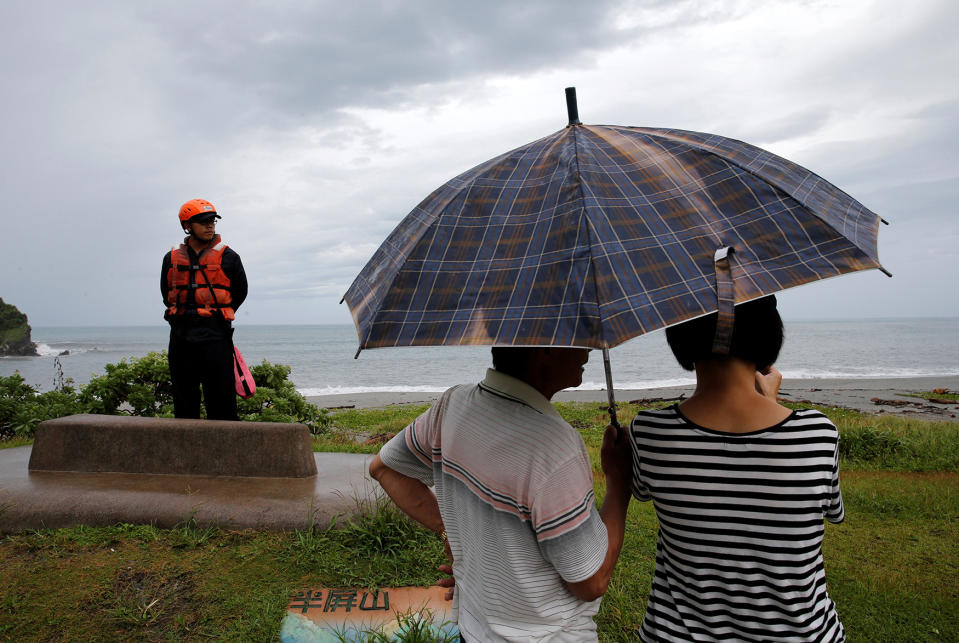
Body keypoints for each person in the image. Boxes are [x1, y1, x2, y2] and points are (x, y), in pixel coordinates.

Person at [369, 346, 633, 641]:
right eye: (576, 336)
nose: (588, 349)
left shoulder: (452, 405)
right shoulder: (554, 448)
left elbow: (384, 468)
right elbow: (591, 582)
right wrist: (619, 485)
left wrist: (452, 536)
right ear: (543, 349)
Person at [628, 295, 845, 642]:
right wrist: (770, 402)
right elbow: (832, 512)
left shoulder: (650, 432)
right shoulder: (818, 434)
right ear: (768, 339)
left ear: (679, 337)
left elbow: (641, 490)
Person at [161, 198, 248, 420]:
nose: (210, 225)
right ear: (187, 226)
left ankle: (226, 451)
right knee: (184, 401)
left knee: (221, 401)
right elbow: (166, 293)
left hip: (216, 335)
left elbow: (240, 292)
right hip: (181, 337)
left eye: (212, 221)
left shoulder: (229, 257)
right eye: (203, 221)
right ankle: (187, 452)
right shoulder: (171, 259)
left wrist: (215, 315)